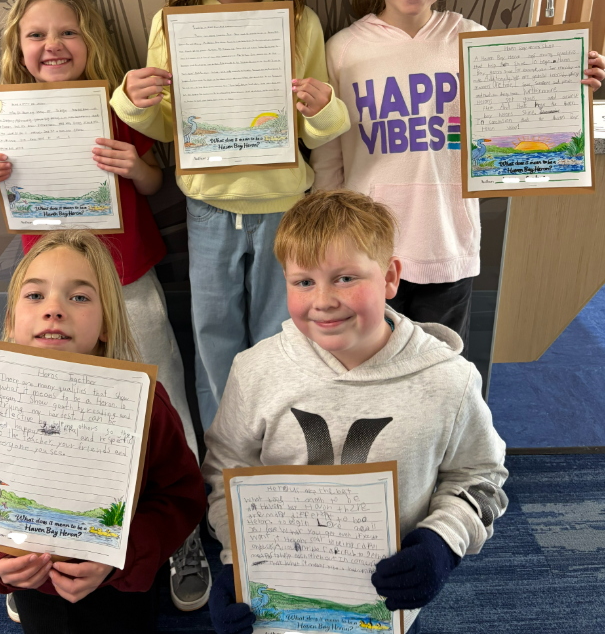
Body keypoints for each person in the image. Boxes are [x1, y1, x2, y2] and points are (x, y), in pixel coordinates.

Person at [0, 0, 209, 613]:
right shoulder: (9, 116)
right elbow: (21, 210)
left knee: (165, 399)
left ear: (90, 39)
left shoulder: (119, 103)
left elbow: (156, 182)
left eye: (67, 31)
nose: (53, 45)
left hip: (127, 278)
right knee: (43, 414)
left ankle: (181, 537)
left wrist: (135, 166)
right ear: (19, 49)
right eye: (37, 35)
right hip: (49, 295)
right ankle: (24, 547)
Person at [109, 0, 350, 431]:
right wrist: (135, 98)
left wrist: (322, 108)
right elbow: (170, 131)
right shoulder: (173, 24)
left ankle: (276, 444)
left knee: (280, 334)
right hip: (210, 205)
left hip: (282, 205)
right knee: (213, 335)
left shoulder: (299, 22)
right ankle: (222, 460)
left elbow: (315, 132)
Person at [202, 189, 508, 634]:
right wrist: (236, 560)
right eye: (303, 282)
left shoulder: (448, 380)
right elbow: (226, 470)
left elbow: (481, 476)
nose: (323, 300)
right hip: (281, 602)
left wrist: (443, 541)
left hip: (390, 605)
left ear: (389, 277)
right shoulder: (254, 372)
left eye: (345, 278)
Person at [311, 0, 605, 351]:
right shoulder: (343, 50)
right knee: (368, 371)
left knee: (443, 377)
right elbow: (329, 161)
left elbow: (507, 146)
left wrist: (565, 92)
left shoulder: (473, 41)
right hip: (366, 254)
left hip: (448, 250)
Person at [0, 230, 206, 634]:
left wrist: (124, 557)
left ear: (107, 323)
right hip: (34, 585)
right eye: (35, 295)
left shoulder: (146, 404)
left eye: (79, 297)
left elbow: (181, 496)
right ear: (11, 318)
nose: (54, 310)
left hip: (120, 584)